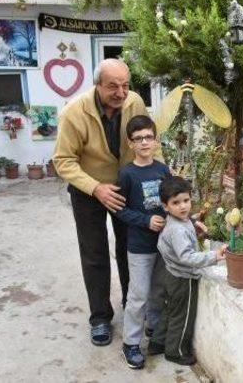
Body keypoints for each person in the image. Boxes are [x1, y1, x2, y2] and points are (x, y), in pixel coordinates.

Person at [53, 59, 157, 346]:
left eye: (125, 85)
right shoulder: (74, 112)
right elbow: (63, 161)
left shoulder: (134, 102)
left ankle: (132, 306)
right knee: (94, 253)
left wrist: (162, 180)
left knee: (130, 248)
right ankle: (100, 317)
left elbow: (147, 141)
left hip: (126, 188)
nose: (121, 92)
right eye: (113, 86)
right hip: (88, 190)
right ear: (97, 84)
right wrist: (95, 187)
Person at [147, 176, 227, 366]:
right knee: (182, 316)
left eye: (186, 201)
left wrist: (193, 233)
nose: (183, 206)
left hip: (171, 274)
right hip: (183, 279)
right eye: (176, 203)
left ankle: (157, 342)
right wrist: (213, 256)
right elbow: (187, 257)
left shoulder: (177, 222)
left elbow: (174, 245)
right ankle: (176, 351)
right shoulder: (178, 229)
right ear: (165, 206)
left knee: (170, 311)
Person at [114, 115, 170, 369]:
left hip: (163, 245)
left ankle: (154, 331)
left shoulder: (162, 169)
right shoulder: (127, 174)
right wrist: (145, 221)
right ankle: (131, 343)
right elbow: (119, 210)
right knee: (138, 296)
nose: (145, 142)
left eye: (149, 137)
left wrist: (189, 220)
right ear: (130, 143)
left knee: (158, 291)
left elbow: (171, 200)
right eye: (139, 139)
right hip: (139, 247)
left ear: (155, 140)